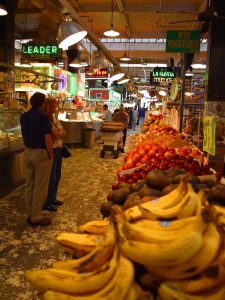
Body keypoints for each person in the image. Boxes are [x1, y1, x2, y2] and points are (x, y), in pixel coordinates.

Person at [20, 92, 53, 227]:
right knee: (40, 186)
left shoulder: (24, 116)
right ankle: (36, 216)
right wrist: (50, 155)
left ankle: (30, 213)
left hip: (27, 152)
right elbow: (48, 138)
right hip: (40, 153)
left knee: (29, 185)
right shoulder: (43, 118)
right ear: (42, 104)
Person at [43, 97, 66, 212]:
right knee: (51, 177)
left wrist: (57, 133)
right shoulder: (44, 120)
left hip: (58, 149)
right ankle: (47, 202)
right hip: (50, 149)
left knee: (57, 175)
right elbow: (53, 135)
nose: (53, 108)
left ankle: (53, 198)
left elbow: (63, 132)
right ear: (46, 106)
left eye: (54, 106)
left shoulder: (54, 118)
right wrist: (57, 133)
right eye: (51, 106)